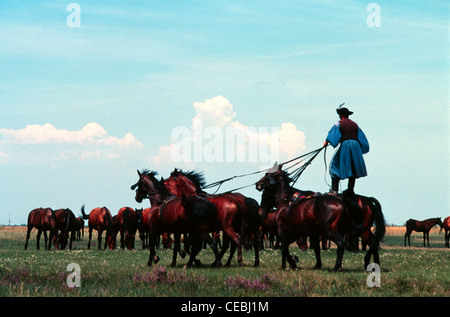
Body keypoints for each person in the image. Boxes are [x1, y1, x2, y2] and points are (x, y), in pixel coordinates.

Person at [324, 104, 369, 195]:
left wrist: (327, 141)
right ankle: (350, 190)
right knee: (353, 167)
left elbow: (333, 135)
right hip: (355, 147)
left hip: (346, 145)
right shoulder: (355, 124)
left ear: (340, 115)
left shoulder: (338, 123)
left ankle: (334, 190)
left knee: (334, 165)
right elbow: (361, 137)